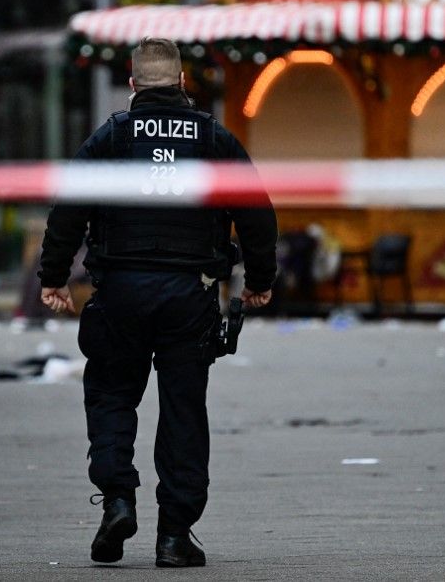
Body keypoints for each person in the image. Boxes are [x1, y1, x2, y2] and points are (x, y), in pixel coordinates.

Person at [38, 37, 277, 567]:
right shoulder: (213, 138)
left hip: (120, 292)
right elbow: (257, 211)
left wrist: (53, 276)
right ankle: (174, 534)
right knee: (183, 412)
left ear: (132, 86)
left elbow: (68, 209)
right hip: (188, 294)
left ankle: (118, 498)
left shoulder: (111, 137)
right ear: (182, 84)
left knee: (111, 397)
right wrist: (260, 279)